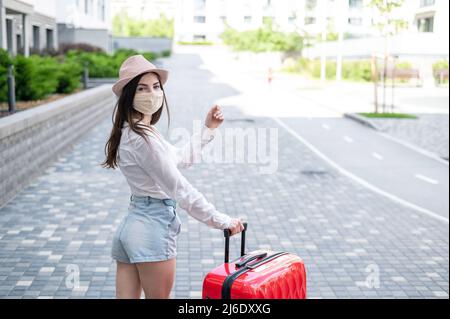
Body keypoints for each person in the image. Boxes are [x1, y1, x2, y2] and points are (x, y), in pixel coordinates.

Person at [101, 55, 245, 299]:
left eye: (156, 87)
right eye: (142, 88)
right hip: (152, 228)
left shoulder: (135, 131)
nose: (152, 93)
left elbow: (178, 161)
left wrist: (208, 129)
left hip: (131, 226)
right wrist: (221, 220)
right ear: (128, 95)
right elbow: (180, 188)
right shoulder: (143, 139)